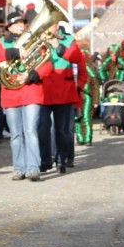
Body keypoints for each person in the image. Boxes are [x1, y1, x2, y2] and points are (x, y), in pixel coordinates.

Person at [0, 12, 44, 181]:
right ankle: (19, 168)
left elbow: (45, 62)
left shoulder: (34, 41)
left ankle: (33, 168)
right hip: (11, 93)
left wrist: (31, 75)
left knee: (31, 131)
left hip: (30, 91)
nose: (21, 25)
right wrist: (14, 52)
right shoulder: (2, 43)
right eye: (17, 23)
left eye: (22, 23)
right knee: (16, 134)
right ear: (9, 27)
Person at [38, 22, 88, 174]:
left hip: (64, 92)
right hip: (43, 92)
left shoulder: (68, 40)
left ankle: (62, 160)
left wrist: (58, 45)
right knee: (42, 128)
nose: (48, 29)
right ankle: (45, 160)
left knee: (63, 130)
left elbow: (77, 59)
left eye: (51, 25)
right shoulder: (38, 41)